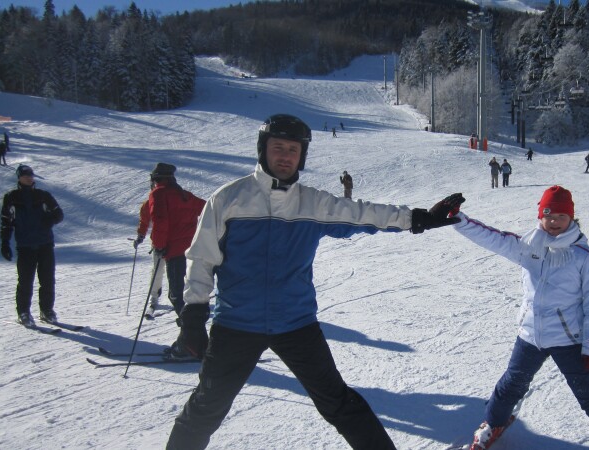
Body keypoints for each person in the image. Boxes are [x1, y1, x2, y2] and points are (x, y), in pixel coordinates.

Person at [165, 114, 460, 450]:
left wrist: (417, 218)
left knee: (339, 402)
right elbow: (203, 259)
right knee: (205, 409)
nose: (285, 156)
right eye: (278, 148)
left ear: (301, 156)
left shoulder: (312, 203)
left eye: (293, 150)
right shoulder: (229, 200)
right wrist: (192, 316)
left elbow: (363, 213)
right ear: (263, 150)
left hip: (295, 323)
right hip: (236, 324)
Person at [432, 187, 589, 450]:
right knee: (510, 384)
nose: (554, 221)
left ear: (571, 217)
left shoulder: (584, 257)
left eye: (560, 216)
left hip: (569, 340)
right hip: (530, 335)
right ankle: (492, 423)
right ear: (540, 216)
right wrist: (458, 219)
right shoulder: (529, 247)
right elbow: (493, 238)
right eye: (548, 215)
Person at [147, 162, 206, 348]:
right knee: (188, 294)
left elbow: (160, 222)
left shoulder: (159, 194)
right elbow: (207, 209)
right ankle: (197, 339)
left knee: (177, 296)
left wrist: (159, 246)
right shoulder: (184, 195)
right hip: (192, 250)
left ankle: (191, 342)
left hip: (174, 251)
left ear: (157, 179)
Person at [1, 165, 64, 327]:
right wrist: (5, 243)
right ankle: (24, 312)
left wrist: (49, 220)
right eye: (25, 175)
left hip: (45, 244)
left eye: (31, 175)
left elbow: (59, 214)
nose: (29, 178)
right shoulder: (12, 198)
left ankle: (47, 311)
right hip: (25, 246)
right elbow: (6, 223)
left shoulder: (43, 196)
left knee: (47, 280)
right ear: (19, 178)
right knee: (25, 281)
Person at [133, 188, 166, 319]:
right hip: (159, 243)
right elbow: (144, 220)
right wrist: (141, 235)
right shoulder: (149, 203)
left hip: (176, 243)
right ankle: (154, 297)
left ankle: (181, 296)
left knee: (177, 271)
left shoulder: (177, 197)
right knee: (157, 271)